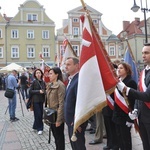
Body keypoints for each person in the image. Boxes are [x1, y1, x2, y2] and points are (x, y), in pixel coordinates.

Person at [117, 43, 150, 150]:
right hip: (142, 116)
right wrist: (136, 108)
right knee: (145, 144)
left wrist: (126, 89)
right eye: (142, 53)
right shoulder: (144, 71)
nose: (143, 56)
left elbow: (147, 96)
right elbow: (138, 92)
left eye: (146, 53)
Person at [64, 57, 88, 150]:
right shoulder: (72, 79)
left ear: (77, 65)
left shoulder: (79, 80)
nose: (66, 67)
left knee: (79, 146)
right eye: (66, 64)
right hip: (71, 121)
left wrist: (78, 121)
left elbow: (81, 102)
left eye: (69, 64)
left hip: (76, 122)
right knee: (74, 145)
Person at [113, 62, 137, 150]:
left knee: (125, 139)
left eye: (121, 68)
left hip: (125, 115)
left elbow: (133, 101)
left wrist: (130, 119)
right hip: (117, 115)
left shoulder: (131, 82)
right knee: (119, 139)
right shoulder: (118, 81)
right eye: (118, 68)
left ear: (126, 70)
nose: (118, 70)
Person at [46, 67, 65, 150]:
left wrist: (59, 119)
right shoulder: (50, 85)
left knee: (59, 137)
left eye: (51, 73)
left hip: (57, 114)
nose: (49, 75)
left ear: (56, 75)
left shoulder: (60, 85)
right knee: (55, 136)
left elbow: (62, 103)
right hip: (51, 114)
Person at [29, 68, 46, 135]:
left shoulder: (43, 82)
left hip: (41, 100)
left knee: (40, 114)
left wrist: (44, 91)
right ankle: (40, 128)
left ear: (41, 74)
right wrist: (38, 91)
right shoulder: (34, 82)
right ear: (35, 75)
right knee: (38, 114)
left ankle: (35, 126)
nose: (38, 74)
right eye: (37, 73)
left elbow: (44, 90)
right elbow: (30, 91)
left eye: (39, 73)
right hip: (35, 101)